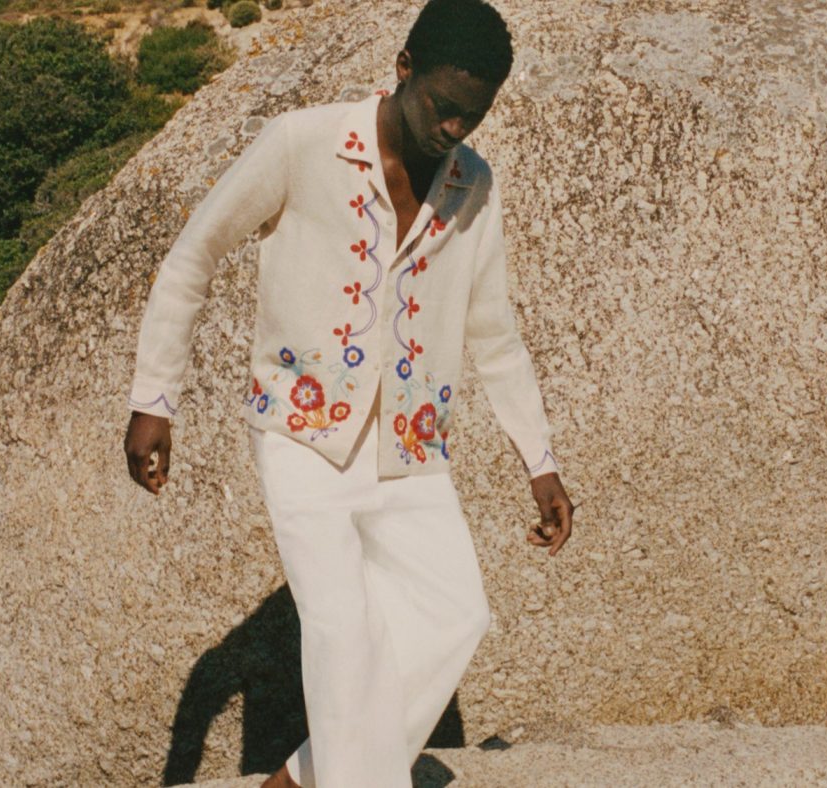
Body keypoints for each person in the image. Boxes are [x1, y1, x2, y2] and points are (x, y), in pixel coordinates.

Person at [121, 0, 575, 785]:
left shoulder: (473, 184)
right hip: (300, 433)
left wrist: (539, 460)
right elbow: (194, 255)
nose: (455, 128)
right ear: (403, 70)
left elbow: (495, 333)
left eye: (473, 115)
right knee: (341, 636)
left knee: (456, 614)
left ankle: (301, 778)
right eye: (443, 107)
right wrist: (154, 399)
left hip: (409, 443)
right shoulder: (303, 143)